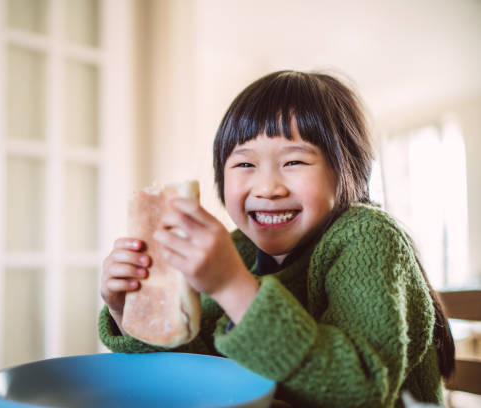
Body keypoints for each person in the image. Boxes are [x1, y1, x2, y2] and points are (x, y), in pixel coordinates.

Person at [98, 70, 454, 407]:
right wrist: (128, 308)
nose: (267, 187)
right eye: (245, 165)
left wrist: (232, 286)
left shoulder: (368, 236)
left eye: (294, 162)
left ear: (348, 171)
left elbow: (359, 391)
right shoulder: (238, 247)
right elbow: (200, 376)